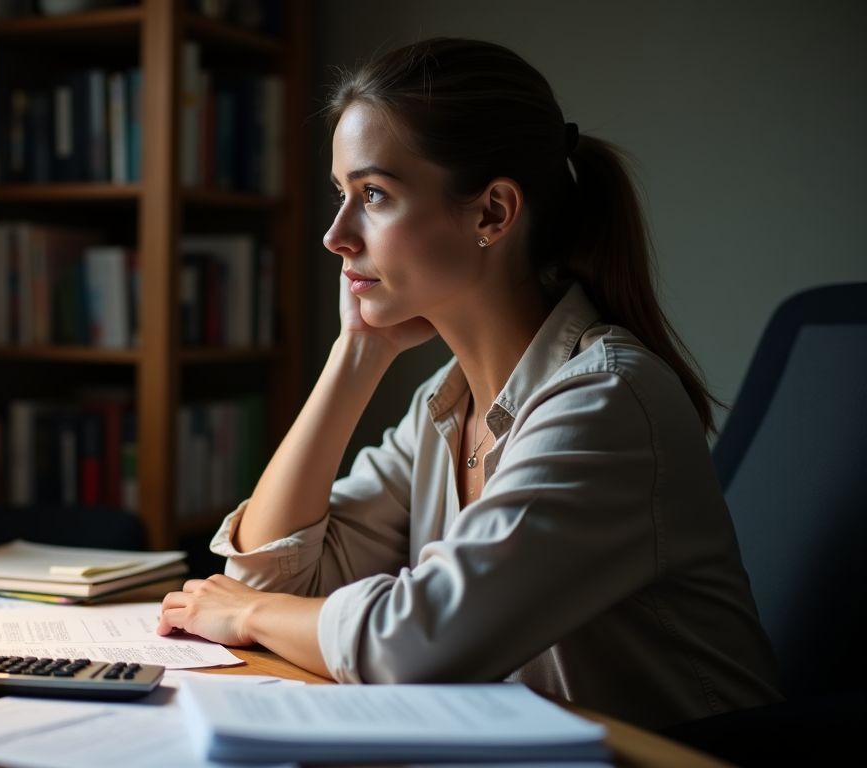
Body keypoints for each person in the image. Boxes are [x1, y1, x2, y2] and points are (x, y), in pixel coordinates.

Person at [156, 37, 782, 730]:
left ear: (492, 213)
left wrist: (247, 614)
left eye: (373, 195)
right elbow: (270, 575)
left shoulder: (606, 402)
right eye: (340, 195)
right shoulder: (445, 409)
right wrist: (354, 356)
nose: (336, 235)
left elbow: (415, 644)